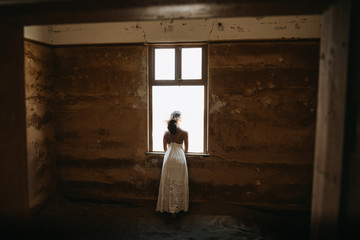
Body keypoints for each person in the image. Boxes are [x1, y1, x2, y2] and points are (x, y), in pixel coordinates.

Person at [156, 111, 189, 218]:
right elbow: (186, 150)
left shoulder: (166, 134)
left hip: (169, 160)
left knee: (168, 182)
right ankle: (178, 208)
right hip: (179, 160)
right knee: (179, 182)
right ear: (179, 120)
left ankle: (169, 209)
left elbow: (165, 149)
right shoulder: (184, 133)